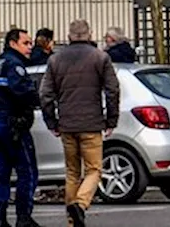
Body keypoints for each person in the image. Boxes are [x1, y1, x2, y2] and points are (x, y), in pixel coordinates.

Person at [39, 20, 120, 227]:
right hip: (91, 124)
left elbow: (45, 94)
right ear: (90, 34)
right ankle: (81, 205)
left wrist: (52, 122)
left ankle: (71, 220)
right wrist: (111, 120)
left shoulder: (55, 60)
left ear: (69, 35)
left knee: (72, 173)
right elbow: (112, 90)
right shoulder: (101, 57)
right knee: (94, 170)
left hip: (66, 124)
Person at [0, 29, 43, 227]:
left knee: (1, 174)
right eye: (26, 43)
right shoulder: (14, 66)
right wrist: (39, 100)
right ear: (13, 43)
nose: (30, 47)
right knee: (27, 172)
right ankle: (23, 218)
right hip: (12, 126)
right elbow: (23, 93)